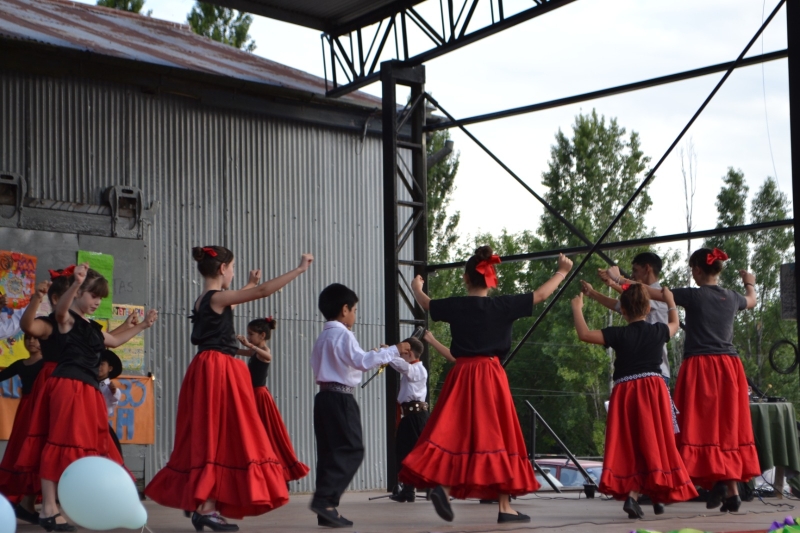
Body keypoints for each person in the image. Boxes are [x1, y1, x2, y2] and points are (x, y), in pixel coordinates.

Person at [401, 246, 573, 524]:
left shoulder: (456, 305)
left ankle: (445, 489)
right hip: (490, 375)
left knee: (454, 433)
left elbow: (426, 302)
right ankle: (503, 507)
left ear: (466, 279)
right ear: (491, 279)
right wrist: (561, 271)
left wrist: (415, 285)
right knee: (498, 437)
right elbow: (540, 295)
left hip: (462, 374)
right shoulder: (502, 305)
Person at [145, 247, 312, 531]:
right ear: (222, 269)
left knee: (213, 435)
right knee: (223, 434)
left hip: (206, 367)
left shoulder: (204, 300)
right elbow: (262, 293)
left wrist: (247, 283)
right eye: (232, 268)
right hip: (219, 368)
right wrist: (298, 270)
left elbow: (235, 301)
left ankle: (205, 503)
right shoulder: (218, 298)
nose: (233, 273)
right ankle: (205, 506)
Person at [613, 248, 760, 512]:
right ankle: (731, 490)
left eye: (693, 268)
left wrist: (618, 281)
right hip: (730, 368)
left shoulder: (693, 295)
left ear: (698, 271)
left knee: (690, 427)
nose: (692, 272)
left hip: (702, 367)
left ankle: (671, 486)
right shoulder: (732, 296)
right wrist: (749, 281)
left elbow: (649, 293)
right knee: (725, 429)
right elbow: (752, 300)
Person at [16, 263, 157, 532]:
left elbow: (114, 342)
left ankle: (73, 504)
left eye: (100, 297)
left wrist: (143, 327)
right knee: (58, 443)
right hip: (68, 385)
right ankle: (48, 508)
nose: (97, 301)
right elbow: (59, 312)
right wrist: (76, 282)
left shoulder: (92, 326)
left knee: (86, 447)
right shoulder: (66, 319)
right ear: (78, 293)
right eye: (93, 295)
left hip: (89, 389)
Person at [571, 284, 697, 518]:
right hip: (652, 391)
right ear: (648, 309)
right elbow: (676, 324)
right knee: (654, 442)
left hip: (626, 393)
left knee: (632, 446)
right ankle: (644, 494)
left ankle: (643, 494)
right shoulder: (658, 331)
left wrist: (577, 308)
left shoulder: (619, 334)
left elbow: (584, 334)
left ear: (624, 312)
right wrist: (670, 301)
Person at [309, 283, 411, 528]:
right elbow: (362, 361)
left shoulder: (324, 335)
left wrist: (372, 356)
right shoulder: (343, 333)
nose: (355, 315)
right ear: (345, 310)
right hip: (341, 399)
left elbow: (351, 361)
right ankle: (325, 500)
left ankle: (327, 508)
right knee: (352, 449)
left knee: (329, 454)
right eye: (354, 310)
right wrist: (394, 350)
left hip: (324, 397)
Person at [237, 316, 310, 483]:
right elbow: (246, 352)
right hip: (253, 395)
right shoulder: (255, 350)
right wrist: (229, 348)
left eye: (251, 334)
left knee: (267, 433)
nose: (249, 337)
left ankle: (278, 472)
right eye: (248, 334)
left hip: (259, 396)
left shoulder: (264, 351)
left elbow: (267, 357)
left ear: (262, 335)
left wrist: (250, 345)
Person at [584, 252, 671, 385]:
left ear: (647, 268)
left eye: (635, 270)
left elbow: (637, 297)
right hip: (634, 372)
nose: (632, 275)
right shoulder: (649, 299)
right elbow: (620, 303)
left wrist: (617, 280)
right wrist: (594, 292)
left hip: (656, 373)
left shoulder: (661, 296)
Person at [0, 333, 44, 523]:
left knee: (38, 453)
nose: (31, 342)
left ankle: (28, 503)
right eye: (28, 339)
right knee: (25, 452)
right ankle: (25, 504)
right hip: (26, 411)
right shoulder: (20, 364)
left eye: (36, 338)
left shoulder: (50, 363)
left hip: (42, 409)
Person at [389, 336, 428, 503]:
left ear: (410, 353)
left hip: (416, 416)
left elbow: (400, 365)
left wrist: (388, 353)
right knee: (404, 451)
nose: (401, 356)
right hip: (409, 415)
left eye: (403, 353)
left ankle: (433, 487)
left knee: (418, 453)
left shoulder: (418, 369)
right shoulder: (411, 368)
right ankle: (408, 489)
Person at [98, 349, 123, 455]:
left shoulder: (109, 388)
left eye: (102, 364)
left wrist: (114, 390)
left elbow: (115, 396)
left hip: (101, 427)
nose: (98, 366)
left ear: (110, 368)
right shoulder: (89, 383)